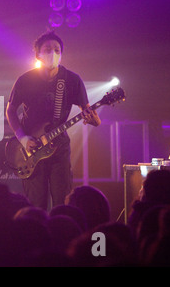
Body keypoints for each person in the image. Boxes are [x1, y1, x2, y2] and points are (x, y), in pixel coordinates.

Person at [6, 30, 101, 210]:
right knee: (36, 205)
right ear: (38, 55)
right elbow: (10, 110)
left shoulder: (72, 80)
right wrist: (23, 138)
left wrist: (94, 120)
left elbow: (87, 111)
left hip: (59, 148)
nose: (53, 53)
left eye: (57, 49)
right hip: (31, 148)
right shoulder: (25, 80)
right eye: (48, 49)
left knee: (63, 203)